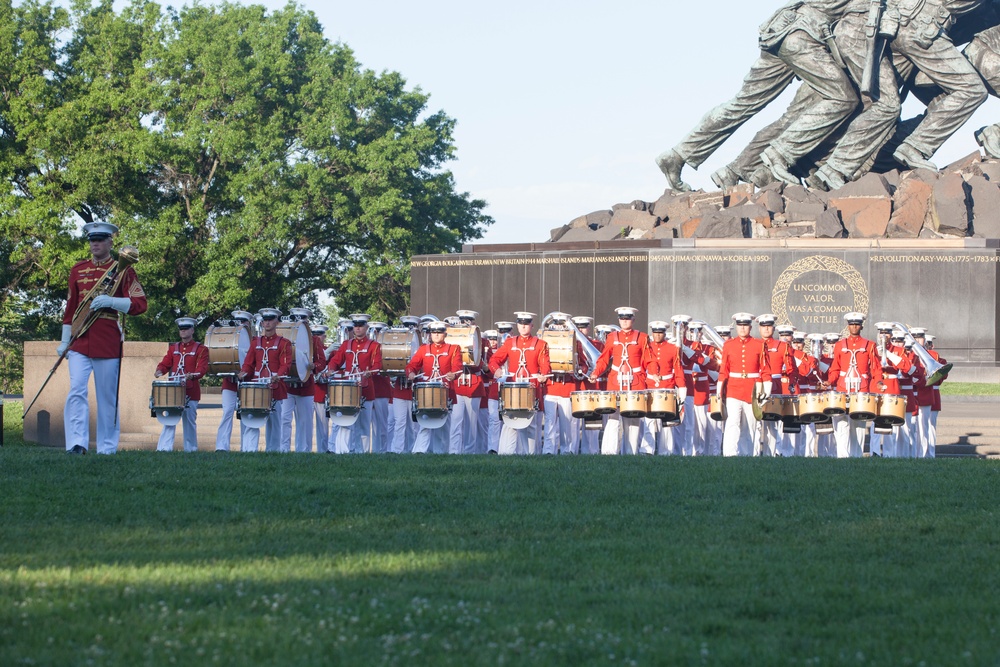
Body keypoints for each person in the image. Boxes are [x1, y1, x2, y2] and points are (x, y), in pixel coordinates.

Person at [655, 0, 857, 190]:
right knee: (842, 97)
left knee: (743, 103)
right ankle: (774, 158)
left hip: (784, 29)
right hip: (804, 38)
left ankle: (678, 155)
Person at [60, 221, 148, 455]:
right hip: (79, 339)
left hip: (106, 339)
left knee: (107, 396)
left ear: (110, 242)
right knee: (76, 391)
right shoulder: (78, 269)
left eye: (100, 239)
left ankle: (107, 447)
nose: (95, 243)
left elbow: (140, 304)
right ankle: (76, 443)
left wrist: (112, 301)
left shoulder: (123, 269)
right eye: (92, 239)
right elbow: (71, 309)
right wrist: (63, 341)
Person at [588, 307, 657, 456]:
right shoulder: (612, 337)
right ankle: (609, 452)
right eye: (622, 318)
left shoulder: (642, 337)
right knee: (613, 418)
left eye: (627, 318)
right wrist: (595, 372)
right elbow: (604, 359)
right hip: (615, 381)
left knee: (633, 420)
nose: (624, 321)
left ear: (633, 320)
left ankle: (630, 452)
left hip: (635, 382)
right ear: (619, 320)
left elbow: (649, 359)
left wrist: (654, 373)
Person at [489, 312, 551, 455]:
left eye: (527, 323)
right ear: (517, 325)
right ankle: (507, 453)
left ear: (532, 325)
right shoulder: (510, 343)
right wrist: (496, 370)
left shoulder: (541, 344)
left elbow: (545, 364)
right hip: (513, 389)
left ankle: (530, 454)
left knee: (531, 424)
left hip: (532, 388)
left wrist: (543, 375)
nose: (523, 326)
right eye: (521, 323)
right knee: (510, 420)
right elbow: (494, 360)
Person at [827, 312, 883, 458]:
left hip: (861, 389)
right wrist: (829, 381)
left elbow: (876, 369)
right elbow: (835, 369)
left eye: (857, 324)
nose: (854, 327)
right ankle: (842, 457)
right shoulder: (839, 345)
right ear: (848, 326)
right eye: (851, 324)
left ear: (861, 326)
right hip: (843, 388)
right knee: (841, 424)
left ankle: (856, 457)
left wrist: (878, 382)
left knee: (858, 425)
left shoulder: (870, 345)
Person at [238, 308, 293, 452]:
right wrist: (243, 373)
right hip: (257, 387)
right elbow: (249, 363)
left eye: (270, 320)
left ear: (276, 322)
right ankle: (249, 450)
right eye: (265, 320)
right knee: (252, 418)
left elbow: (286, 365)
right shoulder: (255, 342)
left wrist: (278, 375)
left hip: (275, 387)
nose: (267, 323)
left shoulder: (284, 343)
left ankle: (273, 451)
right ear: (262, 322)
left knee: (275, 422)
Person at [326, 314, 382, 454]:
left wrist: (371, 372)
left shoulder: (374, 346)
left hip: (366, 389)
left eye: (360, 325)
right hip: (348, 389)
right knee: (346, 421)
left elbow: (377, 365)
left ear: (366, 327)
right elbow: (336, 360)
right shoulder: (346, 344)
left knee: (363, 424)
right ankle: (344, 452)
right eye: (355, 326)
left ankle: (361, 452)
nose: (357, 328)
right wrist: (331, 369)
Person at [406, 320, 463, 454]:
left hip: (445, 392)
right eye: (434, 332)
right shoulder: (423, 349)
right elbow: (411, 365)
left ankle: (441, 452)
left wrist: (453, 375)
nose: (436, 335)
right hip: (426, 392)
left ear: (445, 334)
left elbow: (458, 367)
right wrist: (411, 373)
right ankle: (419, 451)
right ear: (430, 334)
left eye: (439, 332)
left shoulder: (454, 349)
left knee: (444, 423)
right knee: (424, 420)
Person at [154, 317, 209, 452]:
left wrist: (194, 374)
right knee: (169, 420)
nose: (183, 332)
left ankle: (190, 449)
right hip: (174, 390)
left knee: (189, 421)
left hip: (191, 390)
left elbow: (202, 368)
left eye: (186, 329)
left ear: (192, 330)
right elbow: (166, 363)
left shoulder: (201, 349)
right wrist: (160, 370)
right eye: (181, 329)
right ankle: (164, 448)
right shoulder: (174, 348)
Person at [717, 312, 768, 457]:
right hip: (733, 389)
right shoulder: (729, 345)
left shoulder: (759, 344)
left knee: (750, 425)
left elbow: (764, 370)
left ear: (750, 327)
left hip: (751, 389)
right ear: (736, 326)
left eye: (745, 325)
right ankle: (730, 454)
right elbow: (724, 370)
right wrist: (720, 389)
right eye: (740, 325)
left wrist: (764, 390)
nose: (743, 328)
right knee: (732, 422)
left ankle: (747, 455)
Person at [281, 307, 321, 453]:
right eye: (297, 319)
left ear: (307, 321)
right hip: (288, 387)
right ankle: (283, 449)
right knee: (284, 419)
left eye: (302, 319)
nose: (300, 322)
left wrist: (313, 366)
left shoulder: (314, 340)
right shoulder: (285, 338)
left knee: (305, 422)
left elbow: (321, 362)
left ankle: (304, 451)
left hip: (306, 387)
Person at [645, 320, 687, 456]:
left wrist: (681, 388)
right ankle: (647, 450)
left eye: (660, 333)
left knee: (667, 422)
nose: (657, 336)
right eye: (655, 333)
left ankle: (666, 451)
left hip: (667, 387)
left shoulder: (672, 348)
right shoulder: (647, 347)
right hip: (650, 386)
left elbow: (678, 369)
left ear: (664, 333)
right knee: (649, 421)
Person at [215, 310, 254, 452]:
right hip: (229, 381)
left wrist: (246, 372)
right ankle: (221, 447)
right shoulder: (228, 338)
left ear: (249, 324)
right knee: (227, 412)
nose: (241, 325)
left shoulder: (254, 341)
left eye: (243, 322)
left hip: (248, 382)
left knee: (246, 414)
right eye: (238, 322)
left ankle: (247, 448)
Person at [450, 309, 485, 454]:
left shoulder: (480, 339)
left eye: (468, 321)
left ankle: (469, 452)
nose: (465, 324)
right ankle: (453, 451)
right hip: (457, 384)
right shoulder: (451, 338)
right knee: (456, 420)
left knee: (471, 422)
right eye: (463, 321)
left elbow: (480, 362)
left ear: (473, 323)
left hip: (473, 383)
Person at [388, 316, 422, 454]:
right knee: (400, 423)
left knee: (415, 425)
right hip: (400, 389)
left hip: (415, 391)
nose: (410, 329)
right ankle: (398, 451)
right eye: (407, 326)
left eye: (412, 326)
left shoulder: (421, 344)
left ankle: (414, 450)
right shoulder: (397, 345)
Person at [310, 323, 331, 453]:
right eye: (314, 335)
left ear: (324, 336)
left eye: (319, 335)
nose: (317, 337)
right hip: (308, 389)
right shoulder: (307, 348)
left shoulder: (329, 350)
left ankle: (322, 450)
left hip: (320, 391)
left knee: (323, 425)